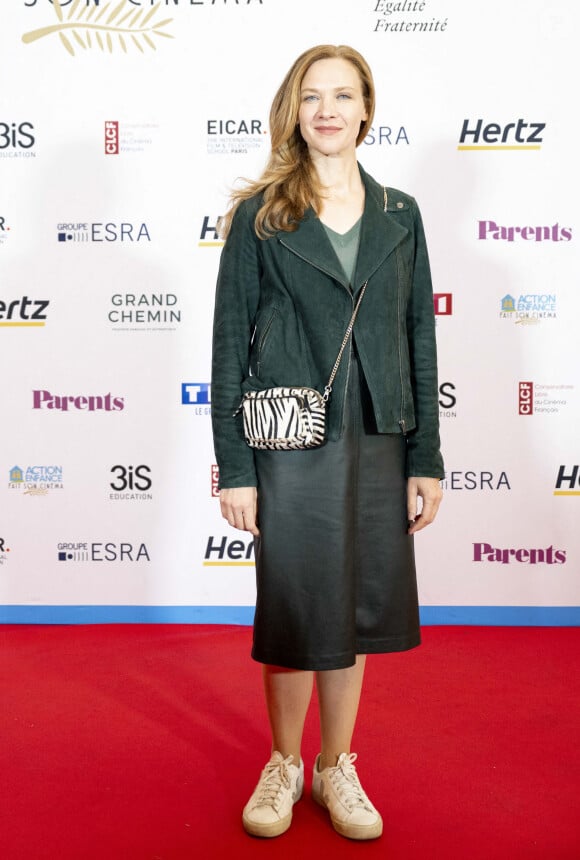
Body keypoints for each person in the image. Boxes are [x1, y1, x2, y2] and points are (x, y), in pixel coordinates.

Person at [211, 44, 444, 841]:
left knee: (358, 606)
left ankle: (334, 765)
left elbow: (420, 337)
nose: (328, 110)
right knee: (296, 604)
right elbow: (226, 344)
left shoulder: (401, 213)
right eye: (313, 96)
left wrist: (428, 458)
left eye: (343, 95)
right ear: (294, 110)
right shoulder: (262, 214)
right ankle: (283, 762)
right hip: (291, 438)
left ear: (366, 109)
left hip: (381, 431)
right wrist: (235, 467)